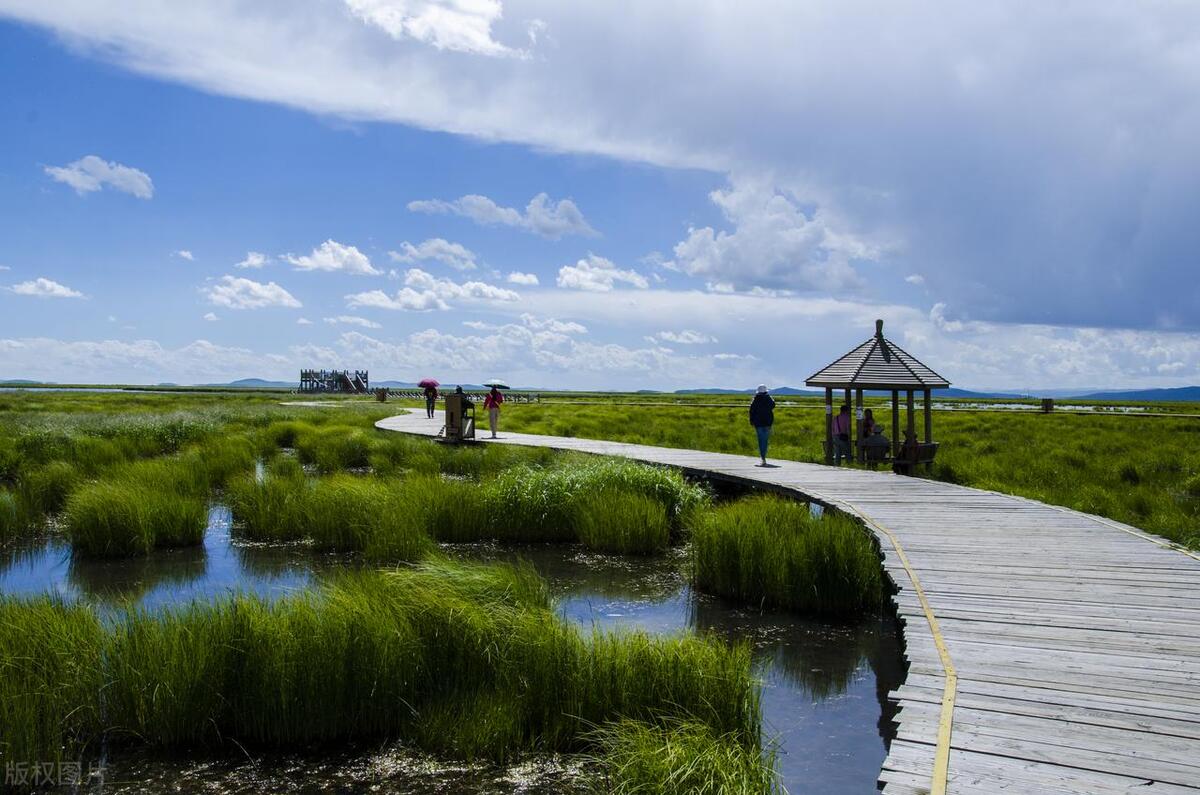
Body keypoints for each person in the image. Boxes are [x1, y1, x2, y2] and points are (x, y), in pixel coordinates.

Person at [748, 384, 775, 466]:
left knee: (760, 440)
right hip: (767, 423)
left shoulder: (755, 400)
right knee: (765, 441)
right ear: (766, 391)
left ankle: (763, 458)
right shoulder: (769, 399)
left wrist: (752, 421)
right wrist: (769, 396)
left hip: (758, 423)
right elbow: (773, 405)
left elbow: (751, 411)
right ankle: (764, 458)